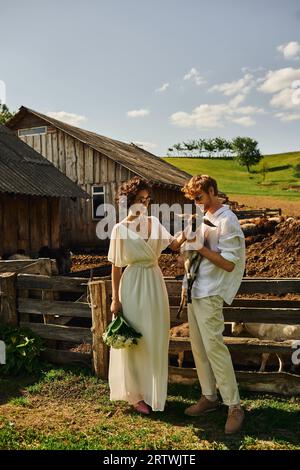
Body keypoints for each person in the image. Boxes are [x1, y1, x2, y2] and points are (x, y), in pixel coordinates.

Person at [107, 176, 187, 414]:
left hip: (154, 282)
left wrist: (190, 230)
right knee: (135, 341)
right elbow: (115, 266)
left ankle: (154, 393)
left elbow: (173, 245)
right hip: (131, 286)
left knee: (155, 338)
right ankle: (135, 396)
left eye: (147, 199)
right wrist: (115, 299)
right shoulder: (119, 229)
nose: (144, 204)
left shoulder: (153, 222)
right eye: (139, 200)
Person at [181, 175, 246, 435]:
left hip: (211, 292)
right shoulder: (204, 217)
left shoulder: (227, 220)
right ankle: (209, 396)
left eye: (199, 197)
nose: (196, 203)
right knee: (199, 348)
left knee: (215, 349)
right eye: (192, 200)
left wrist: (200, 248)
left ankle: (235, 406)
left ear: (211, 190)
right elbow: (193, 252)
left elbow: (230, 263)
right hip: (195, 289)